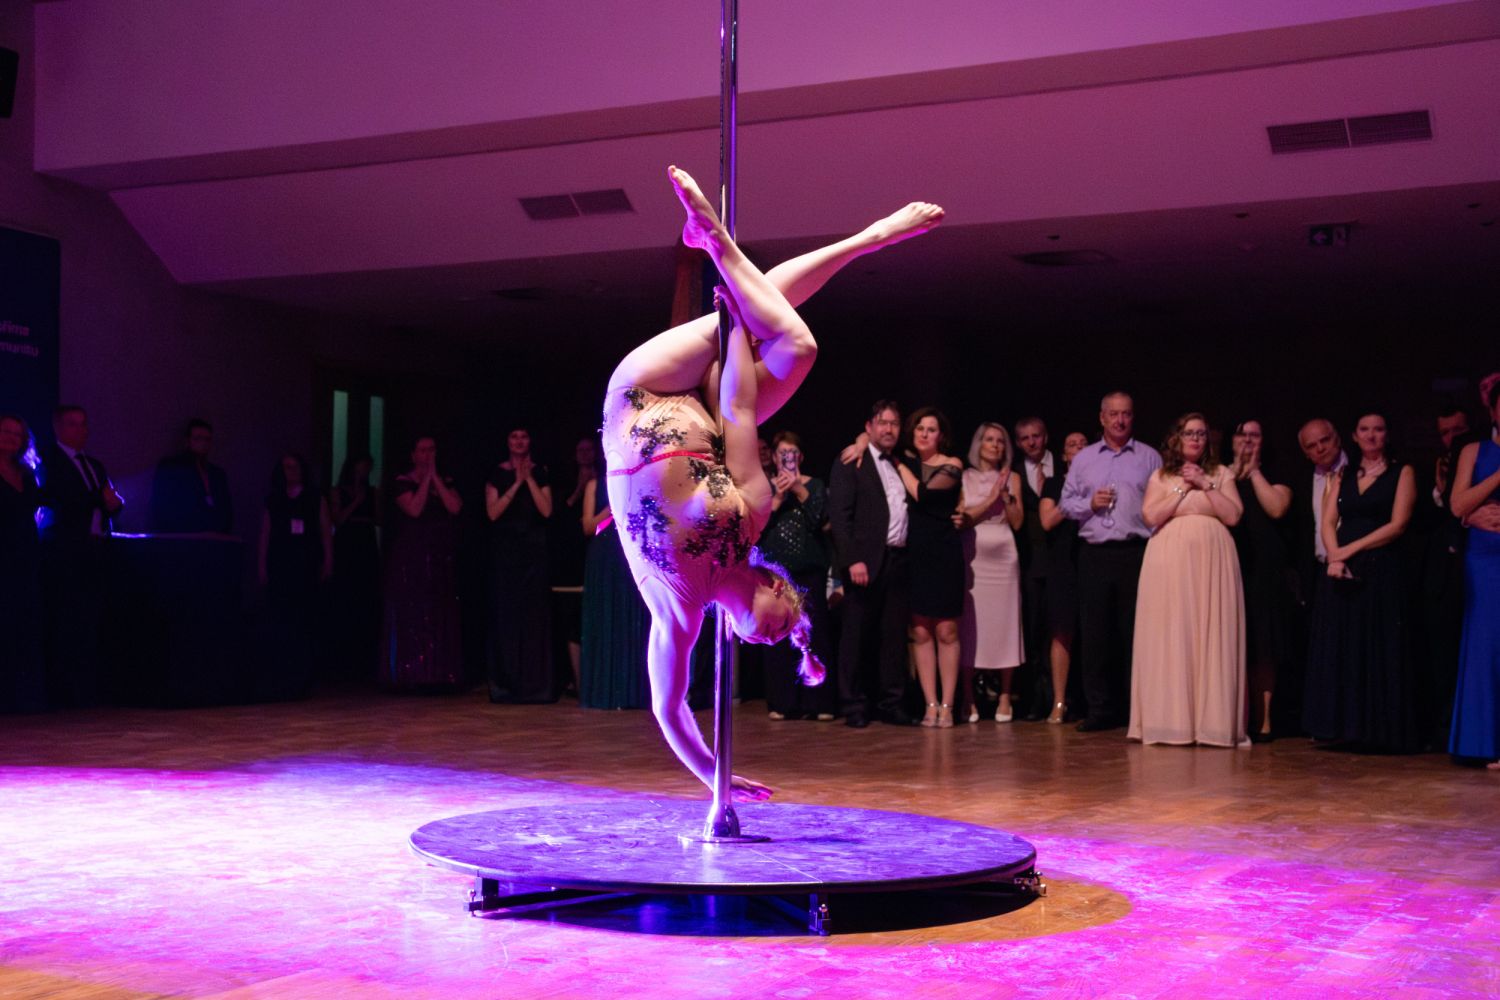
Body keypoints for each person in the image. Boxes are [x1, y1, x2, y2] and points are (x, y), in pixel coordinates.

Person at [603, 164, 942, 798]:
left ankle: (721, 249)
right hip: (705, 407)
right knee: (793, 341)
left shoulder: (680, 610)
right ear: (777, 585)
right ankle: (853, 237)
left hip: (640, 395)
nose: (778, 636)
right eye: (790, 626)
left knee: (758, 305)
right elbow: (738, 414)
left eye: (779, 638)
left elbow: (667, 707)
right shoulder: (752, 514)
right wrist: (733, 330)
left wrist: (715, 777)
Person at [1129, 414, 1247, 747]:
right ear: (1177, 438)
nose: (1195, 439)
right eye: (1189, 433)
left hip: (1213, 562)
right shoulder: (1161, 476)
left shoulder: (1221, 474)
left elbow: (1233, 515)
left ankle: (1212, 724)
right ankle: (1170, 722)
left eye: (1201, 434)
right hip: (1168, 563)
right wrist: (1183, 487)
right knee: (1172, 632)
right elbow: (1151, 515)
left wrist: (1205, 484)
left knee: (1210, 633)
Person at [1304, 412, 1420, 752]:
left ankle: (1377, 730)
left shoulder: (1403, 472)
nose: (1371, 436)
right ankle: (1343, 727)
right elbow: (1328, 521)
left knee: (1376, 643)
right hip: (1343, 568)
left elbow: (1398, 524)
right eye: (1365, 430)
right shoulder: (1345, 473)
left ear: (1387, 434)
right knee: (1345, 643)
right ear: (1354, 436)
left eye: (1378, 429)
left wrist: (1349, 549)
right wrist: (1335, 554)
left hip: (1381, 566)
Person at [1060, 392, 1162, 731]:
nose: (1120, 420)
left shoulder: (1149, 457)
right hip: (1095, 555)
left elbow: (1162, 502)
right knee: (1096, 633)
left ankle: (1137, 709)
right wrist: (1090, 504)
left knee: (1135, 633)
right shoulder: (1084, 458)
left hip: (1136, 552)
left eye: (1126, 414)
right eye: (1114, 414)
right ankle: (1100, 709)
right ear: (1102, 417)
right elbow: (1066, 504)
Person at [830, 401, 916, 729]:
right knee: (856, 635)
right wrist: (852, 559)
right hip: (864, 561)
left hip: (898, 559)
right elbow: (840, 515)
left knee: (893, 637)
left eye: (894, 423)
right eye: (883, 423)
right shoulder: (852, 459)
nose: (889, 429)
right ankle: (853, 704)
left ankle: (891, 703)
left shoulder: (901, 462)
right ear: (869, 426)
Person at [38, 405, 124, 708]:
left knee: (91, 618)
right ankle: (66, 694)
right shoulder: (48, 460)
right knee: (67, 619)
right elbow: (57, 498)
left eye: (84, 424)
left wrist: (115, 504)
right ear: (58, 428)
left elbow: (108, 499)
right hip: (66, 551)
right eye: (73, 424)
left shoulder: (94, 465)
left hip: (95, 548)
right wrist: (99, 498)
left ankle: (87, 690)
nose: (81, 429)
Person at [893, 407, 966, 728]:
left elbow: (922, 494)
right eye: (919, 428)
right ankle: (930, 704)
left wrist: (898, 464)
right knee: (921, 631)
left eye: (931, 429)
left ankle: (948, 705)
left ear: (941, 435)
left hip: (944, 553)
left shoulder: (952, 464)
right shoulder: (906, 462)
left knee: (947, 630)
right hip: (915, 554)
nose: (924, 434)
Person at [758, 432, 836, 721]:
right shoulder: (765, 487)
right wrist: (778, 498)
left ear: (800, 457)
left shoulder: (814, 485)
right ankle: (782, 702)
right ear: (774, 457)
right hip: (777, 574)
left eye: (792, 453)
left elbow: (821, 522)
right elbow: (757, 529)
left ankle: (819, 701)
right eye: (782, 453)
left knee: (816, 633)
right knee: (778, 632)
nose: (787, 458)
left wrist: (800, 491)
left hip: (810, 571)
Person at [1226, 419, 1294, 741]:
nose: (1248, 440)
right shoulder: (1221, 475)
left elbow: (1277, 508)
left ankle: (1263, 721)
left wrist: (1253, 471)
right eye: (1242, 434)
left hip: (1264, 569)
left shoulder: (1275, 474)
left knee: (1264, 645)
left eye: (1255, 435)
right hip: (1230, 565)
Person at [381, 435, 464, 690]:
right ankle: (411, 674)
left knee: (438, 611)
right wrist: (426, 479)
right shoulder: (402, 482)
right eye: (423, 450)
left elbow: (455, 507)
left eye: (432, 449)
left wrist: (435, 477)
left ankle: (437, 673)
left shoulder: (445, 481)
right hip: (412, 555)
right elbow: (414, 510)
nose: (428, 454)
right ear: (413, 454)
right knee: (414, 611)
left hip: (439, 555)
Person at [1448, 373, 1500, 768]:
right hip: (1483, 559)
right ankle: (1486, 742)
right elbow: (1458, 505)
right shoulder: (1473, 450)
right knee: (1486, 647)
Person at [957, 422, 1024, 725]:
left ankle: (1006, 695)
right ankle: (968, 696)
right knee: (971, 627)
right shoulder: (964, 477)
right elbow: (963, 519)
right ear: (979, 444)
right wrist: (990, 498)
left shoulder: (1013, 477)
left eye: (1000, 440)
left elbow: (1018, 522)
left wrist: (1006, 497)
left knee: (1006, 624)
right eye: (989, 439)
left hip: (1004, 555)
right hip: (974, 555)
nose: (995, 445)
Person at [485, 427, 555, 704]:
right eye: (514, 437)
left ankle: (535, 686)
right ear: (507, 442)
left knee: (533, 617)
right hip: (506, 555)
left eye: (523, 437)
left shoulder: (540, 472)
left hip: (534, 554)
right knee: (508, 616)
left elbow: (546, 510)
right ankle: (506, 684)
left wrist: (529, 480)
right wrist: (516, 483)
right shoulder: (496, 473)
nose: (519, 441)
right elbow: (493, 513)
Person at [1422, 402, 1477, 747]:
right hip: (1443, 575)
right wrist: (1440, 490)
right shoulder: (1432, 467)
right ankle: (1445, 727)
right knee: (1442, 652)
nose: (1452, 438)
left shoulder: (1479, 459)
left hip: (1479, 562)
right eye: (1445, 432)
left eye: (1458, 430)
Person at [257, 453, 332, 694]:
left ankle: (307, 671)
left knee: (306, 615)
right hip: (281, 562)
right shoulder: (274, 499)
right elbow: (266, 532)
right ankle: (282, 669)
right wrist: (262, 564)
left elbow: (325, 529)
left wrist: (328, 558)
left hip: (306, 562)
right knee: (282, 615)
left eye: (295, 467)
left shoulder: (315, 498)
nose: (291, 471)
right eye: (287, 467)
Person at [0, 414, 46, 713]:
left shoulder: (26, 473)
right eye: (5, 431)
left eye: (17, 434)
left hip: (25, 554)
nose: (11, 438)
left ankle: (20, 696)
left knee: (22, 623)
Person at [329, 453, 382, 680]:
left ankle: (365, 658)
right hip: (347, 543)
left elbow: (379, 519)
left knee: (366, 597)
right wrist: (356, 502)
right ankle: (343, 659)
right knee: (346, 596)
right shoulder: (337, 491)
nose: (365, 472)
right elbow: (338, 519)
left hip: (365, 542)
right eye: (362, 467)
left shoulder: (372, 492)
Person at [554, 436, 599, 697]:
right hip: (571, 558)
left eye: (588, 449)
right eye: (580, 450)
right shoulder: (566, 481)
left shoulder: (603, 479)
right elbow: (560, 515)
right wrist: (579, 490)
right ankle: (578, 681)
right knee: (572, 620)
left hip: (598, 556)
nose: (585, 454)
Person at [148, 418, 233, 534]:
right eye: (198, 439)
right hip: (182, 536)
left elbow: (226, 510)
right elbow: (162, 507)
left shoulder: (217, 474)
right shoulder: (171, 468)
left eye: (207, 439)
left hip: (212, 537)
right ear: (187, 441)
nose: (203, 444)